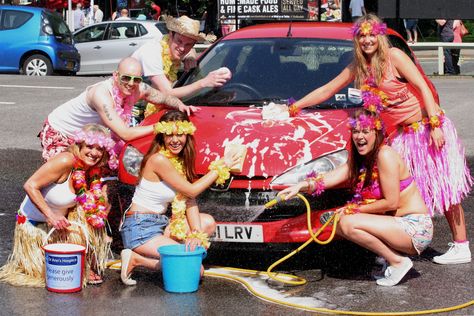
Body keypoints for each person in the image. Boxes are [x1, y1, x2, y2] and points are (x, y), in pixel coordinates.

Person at [289, 14, 472, 264]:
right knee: (397, 191)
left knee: (445, 187)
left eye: (371, 34)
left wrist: (435, 124)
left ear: (380, 35)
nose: (367, 40)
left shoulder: (394, 57)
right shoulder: (358, 68)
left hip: (427, 129)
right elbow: (327, 90)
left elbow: (423, 85)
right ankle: (394, 246)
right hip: (401, 136)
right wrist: (293, 108)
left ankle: (461, 246)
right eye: (362, 35)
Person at [279, 110, 433, 286]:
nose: (359, 136)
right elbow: (330, 178)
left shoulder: (385, 155)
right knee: (338, 221)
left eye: (365, 131)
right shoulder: (361, 159)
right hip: (396, 225)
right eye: (356, 131)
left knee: (347, 221)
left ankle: (397, 262)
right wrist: (302, 185)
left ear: (376, 132)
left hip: (415, 228)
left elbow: (391, 202)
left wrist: (352, 210)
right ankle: (390, 259)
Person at [119, 110, 240, 285]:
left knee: (207, 222)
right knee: (195, 270)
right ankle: (136, 259)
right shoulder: (158, 160)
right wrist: (221, 166)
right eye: (169, 134)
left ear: (187, 135)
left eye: (180, 134)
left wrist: (197, 234)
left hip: (160, 224)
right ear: (162, 137)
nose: (175, 140)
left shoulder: (179, 161)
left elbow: (189, 199)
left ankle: (177, 254)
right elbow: (192, 191)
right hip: (140, 228)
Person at [0, 124, 115, 287]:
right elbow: (30, 185)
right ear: (80, 145)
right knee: (48, 277)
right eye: (90, 146)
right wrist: (50, 215)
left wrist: (101, 199)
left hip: (62, 225)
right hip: (35, 227)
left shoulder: (92, 169)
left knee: (94, 209)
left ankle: (88, 260)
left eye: (100, 149)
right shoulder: (65, 160)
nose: (94, 153)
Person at [39, 57, 194, 162]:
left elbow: (164, 98)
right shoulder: (101, 94)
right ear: (116, 76)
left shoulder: (139, 89)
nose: (131, 83)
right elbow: (125, 134)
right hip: (61, 132)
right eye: (125, 78)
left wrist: (180, 105)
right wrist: (161, 127)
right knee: (64, 180)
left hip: (90, 138)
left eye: (136, 79)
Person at [131, 15, 230, 123]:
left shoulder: (176, 49)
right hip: (131, 111)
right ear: (170, 35)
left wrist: (190, 57)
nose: (182, 48)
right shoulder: (151, 52)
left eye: (188, 44)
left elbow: (189, 51)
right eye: (179, 41)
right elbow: (167, 92)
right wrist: (204, 83)